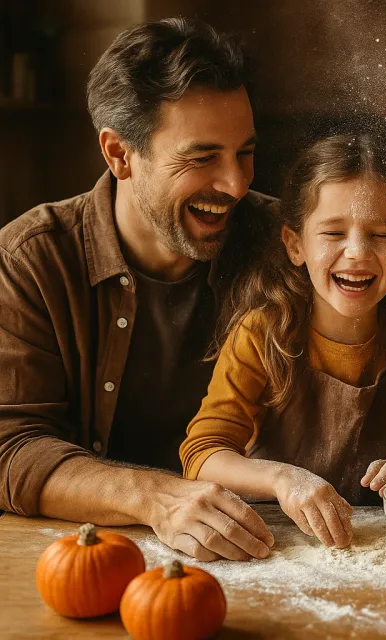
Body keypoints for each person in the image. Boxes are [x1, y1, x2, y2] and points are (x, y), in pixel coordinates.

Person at [0, 18, 278, 562]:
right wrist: (156, 498)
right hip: (91, 559)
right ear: (119, 155)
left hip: (269, 552)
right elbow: (9, 449)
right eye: (202, 158)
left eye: (244, 152)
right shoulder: (29, 260)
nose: (236, 184)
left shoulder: (286, 244)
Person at [180, 133, 386, 549]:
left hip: (377, 543)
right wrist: (283, 478)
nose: (358, 252)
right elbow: (201, 455)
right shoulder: (261, 334)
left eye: (380, 235)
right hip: (272, 544)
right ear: (295, 245)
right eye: (333, 233)